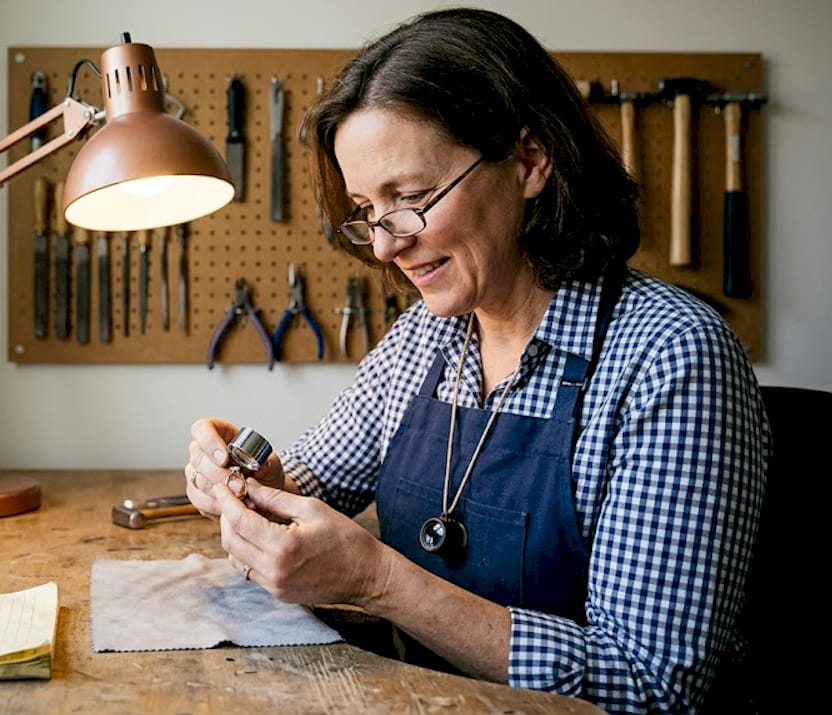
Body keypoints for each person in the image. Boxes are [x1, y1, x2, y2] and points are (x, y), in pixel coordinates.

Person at [183, 8, 769, 714]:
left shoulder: (671, 358)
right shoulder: (427, 339)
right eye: (369, 210)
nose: (384, 246)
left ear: (528, 160)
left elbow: (649, 686)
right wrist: (241, 481)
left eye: (411, 198)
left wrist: (379, 582)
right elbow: (310, 481)